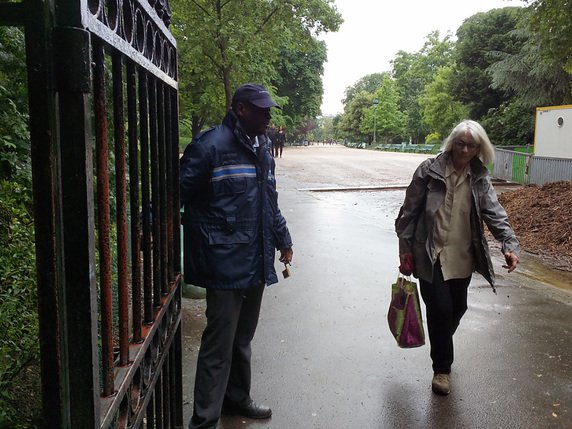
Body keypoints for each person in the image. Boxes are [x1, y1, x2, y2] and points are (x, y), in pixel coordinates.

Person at [180, 83, 294, 429]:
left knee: (243, 339)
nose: (268, 117)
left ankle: (237, 399)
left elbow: (269, 201)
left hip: (256, 258)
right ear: (241, 109)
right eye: (262, 110)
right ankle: (204, 421)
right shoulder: (210, 146)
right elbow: (177, 191)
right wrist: (147, 225)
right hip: (224, 262)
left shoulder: (261, 146)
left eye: (269, 110)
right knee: (219, 344)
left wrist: (283, 238)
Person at [395, 120, 520, 396]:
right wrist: (405, 249)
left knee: (457, 308)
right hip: (431, 255)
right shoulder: (429, 171)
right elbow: (409, 212)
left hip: (462, 256)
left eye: (471, 145)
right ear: (452, 143)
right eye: (460, 143)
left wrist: (509, 244)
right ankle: (442, 370)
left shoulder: (479, 178)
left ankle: (441, 341)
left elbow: (494, 213)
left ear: (479, 148)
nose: (464, 150)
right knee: (440, 310)